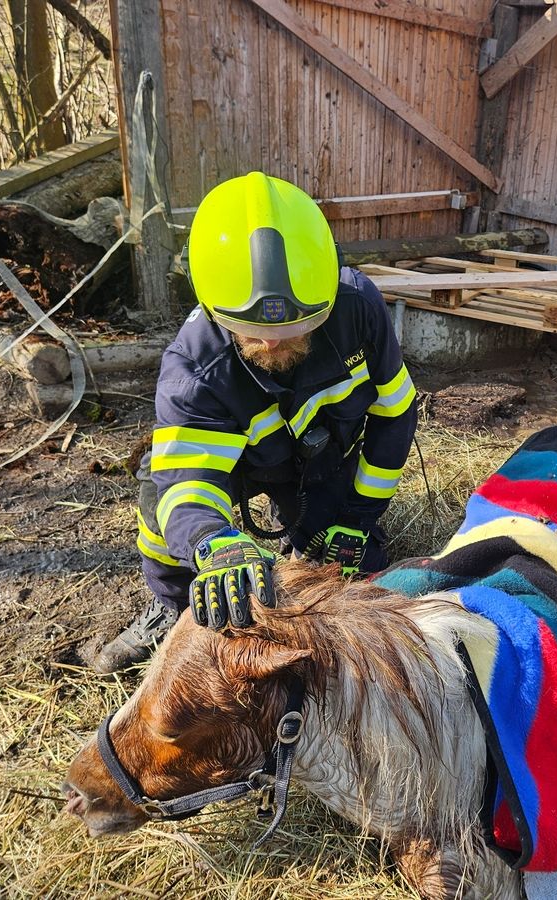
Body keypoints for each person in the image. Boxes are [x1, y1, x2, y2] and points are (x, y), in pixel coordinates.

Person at [93, 172, 416, 673]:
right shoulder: (193, 369)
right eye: (251, 330)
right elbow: (189, 481)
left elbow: (394, 416)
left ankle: (319, 532)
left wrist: (358, 517)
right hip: (238, 467)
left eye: (294, 328)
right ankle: (171, 606)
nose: (271, 343)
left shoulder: (358, 310)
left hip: (321, 459)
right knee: (159, 498)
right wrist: (212, 541)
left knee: (356, 565)